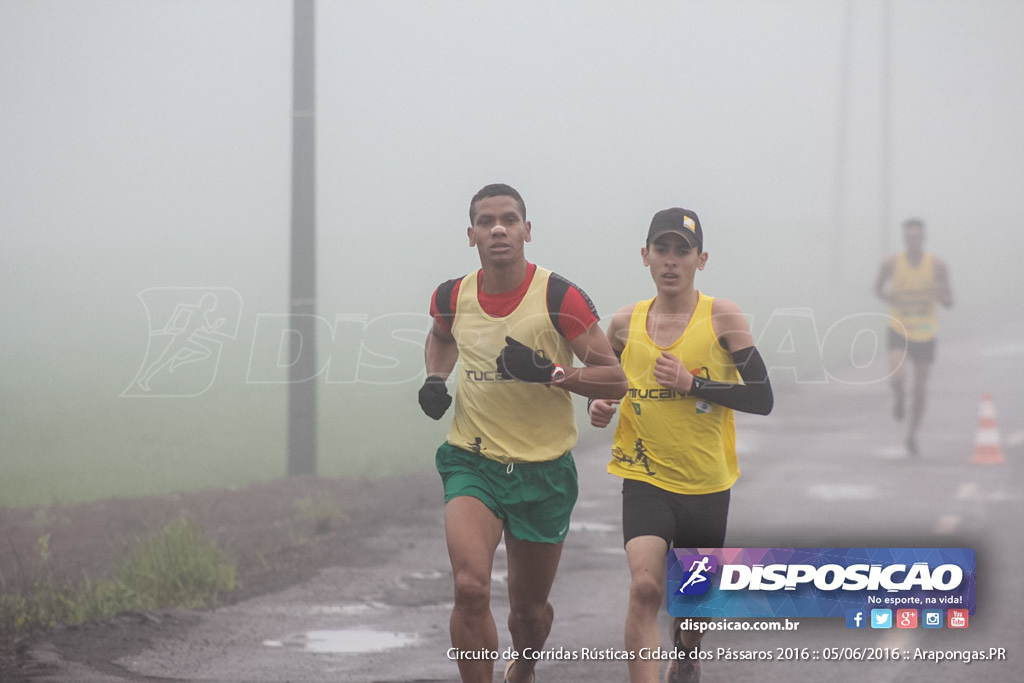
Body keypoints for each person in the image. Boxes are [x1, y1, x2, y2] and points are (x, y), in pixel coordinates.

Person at [418, 183, 627, 683]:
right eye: (486, 221)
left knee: (528, 613)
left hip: (543, 471)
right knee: (470, 589)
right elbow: (441, 336)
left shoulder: (560, 296)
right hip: (473, 461)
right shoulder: (452, 295)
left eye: (509, 220)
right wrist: (433, 378)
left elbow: (616, 378)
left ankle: (525, 664)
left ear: (527, 230)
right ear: (471, 235)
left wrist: (552, 372)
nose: (498, 229)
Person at [588, 207, 773, 683]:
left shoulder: (722, 316)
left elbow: (762, 397)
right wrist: (601, 406)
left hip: (706, 484)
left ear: (701, 259)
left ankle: (687, 653)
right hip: (643, 476)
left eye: (682, 251)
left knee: (693, 605)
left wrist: (694, 384)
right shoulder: (625, 322)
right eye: (662, 250)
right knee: (646, 588)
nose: (671, 261)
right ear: (645, 256)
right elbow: (606, 384)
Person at [873, 218, 953, 455]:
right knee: (897, 376)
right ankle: (898, 395)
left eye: (917, 237)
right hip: (899, 327)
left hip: (926, 332)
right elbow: (877, 288)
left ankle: (911, 434)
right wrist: (888, 298)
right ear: (904, 239)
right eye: (909, 238)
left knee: (919, 388)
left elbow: (950, 301)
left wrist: (940, 293)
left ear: (923, 239)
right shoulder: (891, 264)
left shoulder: (937, 265)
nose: (913, 242)